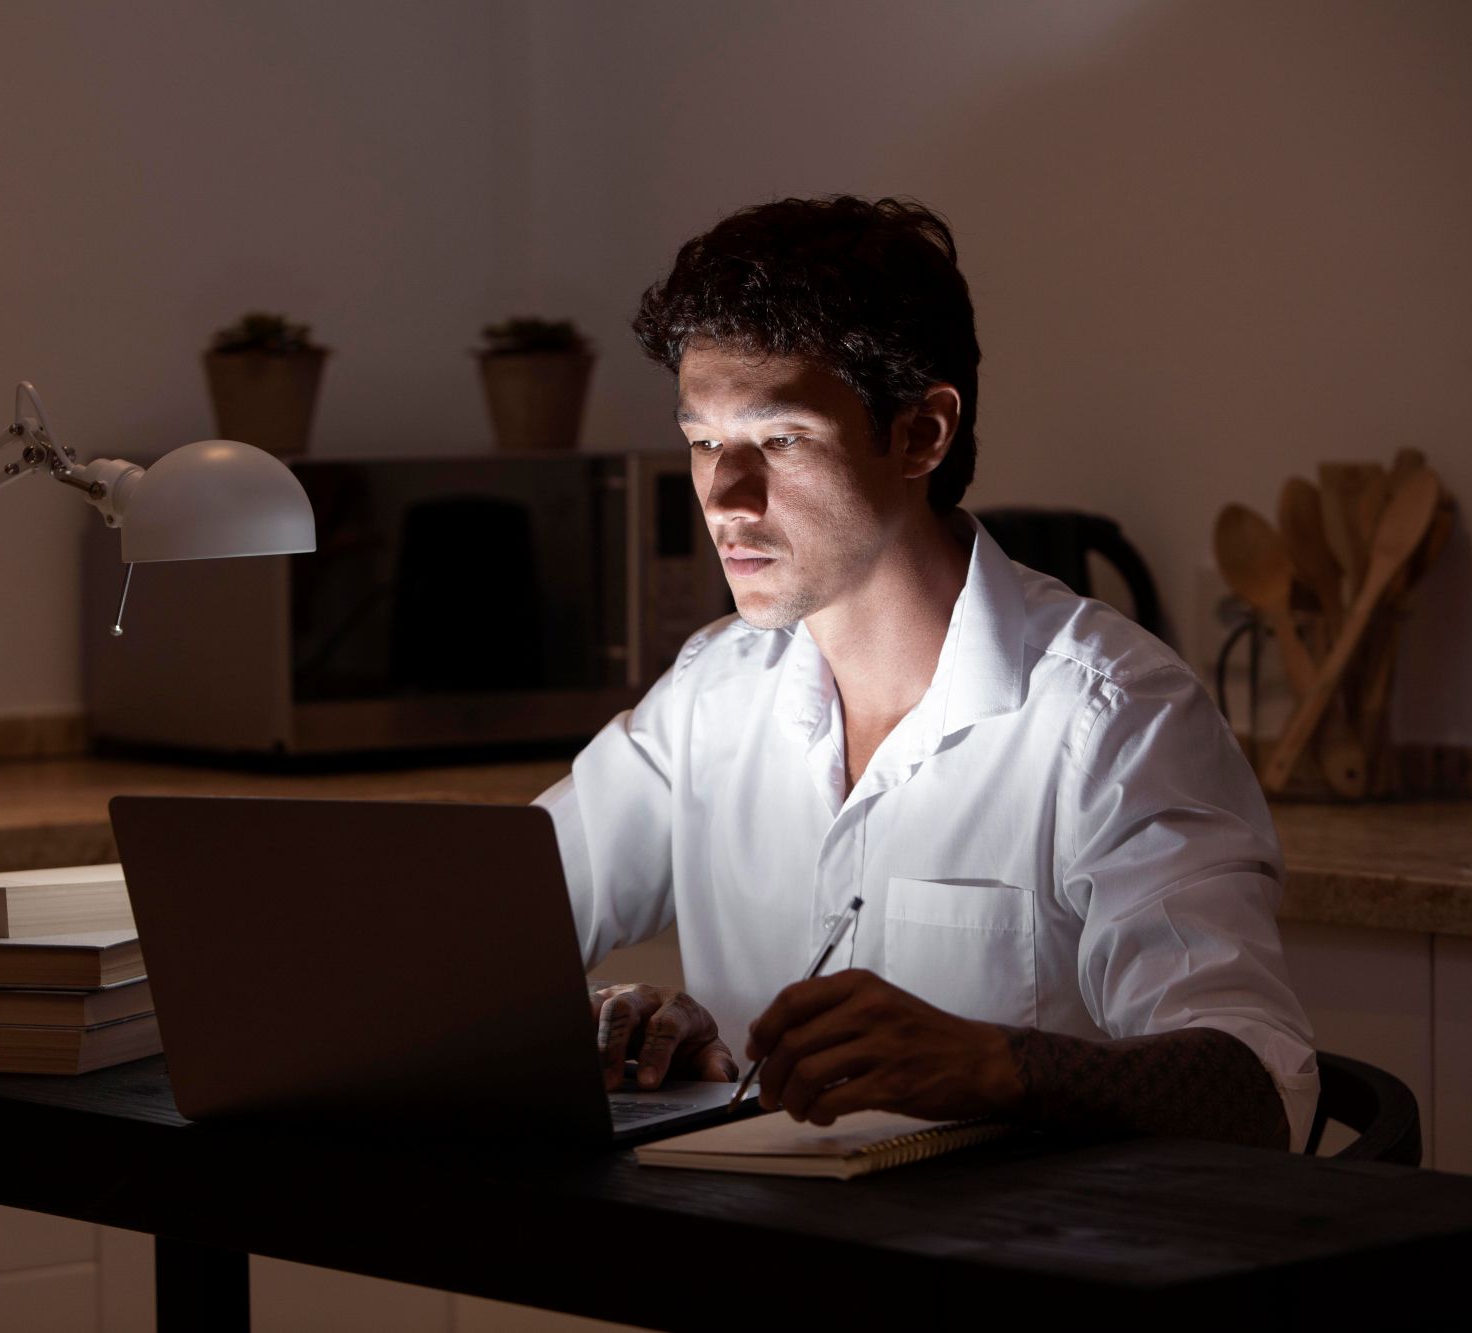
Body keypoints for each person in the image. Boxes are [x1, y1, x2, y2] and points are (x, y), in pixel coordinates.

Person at [534, 195, 1317, 1151]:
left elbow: (1259, 1090)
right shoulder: (713, 692)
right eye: (704, 442)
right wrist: (623, 1029)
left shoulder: (1111, 718)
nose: (725, 497)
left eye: (780, 440)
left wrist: (993, 1062)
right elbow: (482, 932)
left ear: (921, 434)